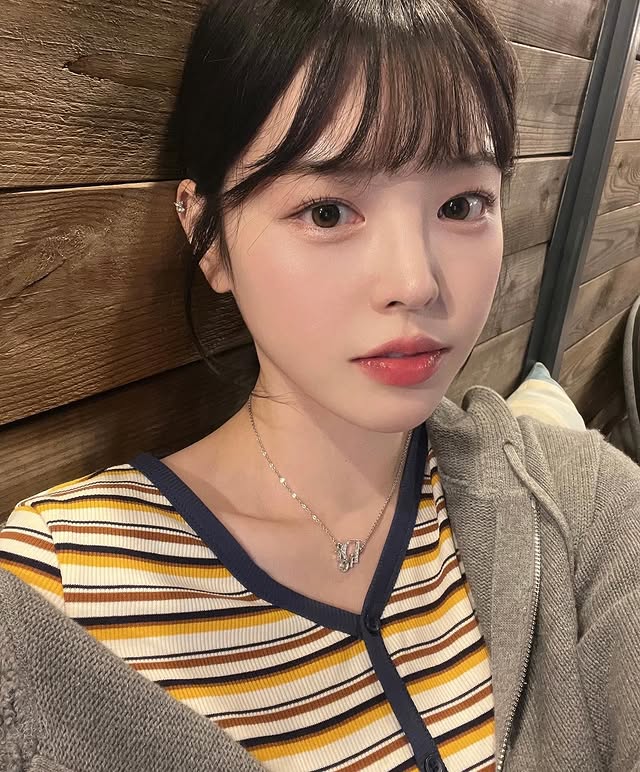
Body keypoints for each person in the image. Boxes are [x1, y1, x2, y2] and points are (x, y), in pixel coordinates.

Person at [0, 0, 638, 770]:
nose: (415, 281)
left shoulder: (572, 502)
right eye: (328, 211)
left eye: (461, 204)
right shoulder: (60, 586)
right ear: (208, 238)